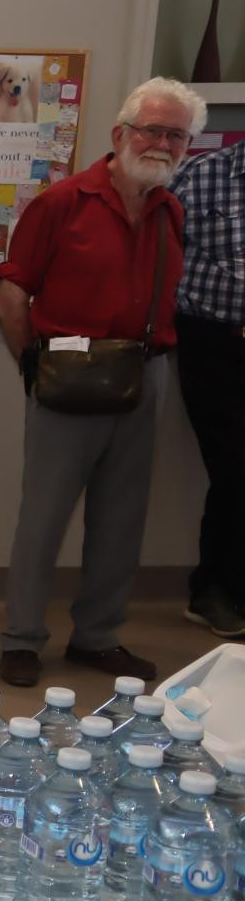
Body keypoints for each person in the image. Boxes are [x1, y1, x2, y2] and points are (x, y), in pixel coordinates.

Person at [0, 77, 204, 688]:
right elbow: (13, 291)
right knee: (44, 518)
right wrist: (32, 367)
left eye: (175, 135)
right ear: (121, 134)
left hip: (145, 375)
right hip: (66, 376)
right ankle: (22, 640)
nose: (162, 144)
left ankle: (97, 637)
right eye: (152, 130)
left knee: (122, 517)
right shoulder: (63, 202)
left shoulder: (171, 210)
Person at [170, 132, 245, 638]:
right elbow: (158, 252)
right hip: (215, 341)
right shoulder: (202, 175)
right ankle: (215, 591)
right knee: (236, 465)